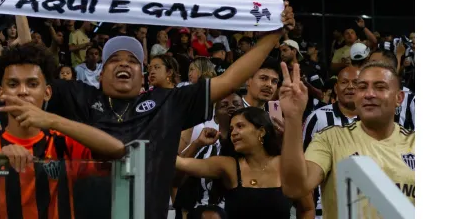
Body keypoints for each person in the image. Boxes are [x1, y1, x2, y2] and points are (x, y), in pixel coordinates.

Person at [0, 0, 296, 219]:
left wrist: (272, 36)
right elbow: (8, 65)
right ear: (101, 73)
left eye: (133, 60)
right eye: (114, 60)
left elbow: (230, 80)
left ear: (145, 73)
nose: (124, 64)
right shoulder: (77, 96)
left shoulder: (171, 102)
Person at [0, 43, 126, 218]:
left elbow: (117, 149)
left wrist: (52, 119)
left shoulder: (63, 143)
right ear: (1, 92)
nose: (22, 91)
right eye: (13, 84)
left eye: (32, 84)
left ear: (47, 93)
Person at [279, 61, 415, 219]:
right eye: (362, 87)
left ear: (399, 97)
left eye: (380, 87)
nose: (369, 94)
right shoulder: (329, 138)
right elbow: (295, 189)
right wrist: (293, 118)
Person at [175, 107, 314, 218]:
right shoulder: (228, 165)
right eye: (231, 129)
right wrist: (197, 143)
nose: (233, 133)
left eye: (240, 126)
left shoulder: (286, 164)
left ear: (261, 131)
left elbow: (307, 208)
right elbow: (181, 163)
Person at [302, 66, 359, 219]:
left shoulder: (375, 120)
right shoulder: (318, 117)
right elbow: (303, 164)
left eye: (356, 82)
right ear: (336, 87)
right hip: (324, 208)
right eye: (344, 82)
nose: (350, 87)